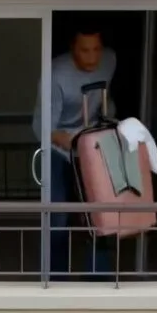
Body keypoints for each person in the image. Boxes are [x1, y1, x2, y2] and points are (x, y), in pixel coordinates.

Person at [33, 24, 116, 278]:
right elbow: (43, 128)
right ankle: (56, 280)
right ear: (72, 49)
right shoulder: (55, 76)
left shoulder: (110, 60)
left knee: (101, 215)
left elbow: (106, 99)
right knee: (57, 217)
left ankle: (98, 279)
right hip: (60, 147)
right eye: (84, 50)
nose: (92, 58)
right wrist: (75, 141)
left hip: (93, 143)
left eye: (96, 49)